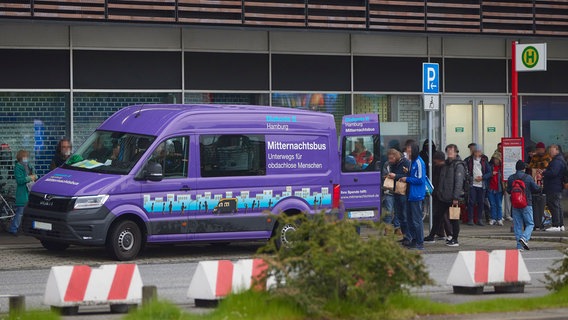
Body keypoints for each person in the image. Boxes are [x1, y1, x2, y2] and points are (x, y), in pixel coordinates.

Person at [435, 144, 466, 247]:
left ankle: (455, 238)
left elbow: (458, 182)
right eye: (448, 151)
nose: (449, 153)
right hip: (443, 196)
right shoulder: (445, 164)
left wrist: (456, 197)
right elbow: (442, 180)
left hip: (452, 197)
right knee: (438, 216)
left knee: (454, 218)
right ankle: (438, 235)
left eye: (451, 151)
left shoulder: (458, 165)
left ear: (456, 152)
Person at [507, 160, 541, 250]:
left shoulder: (511, 178)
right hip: (526, 203)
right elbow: (536, 189)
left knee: (518, 225)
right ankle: (524, 238)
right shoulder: (528, 177)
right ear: (524, 169)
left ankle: (519, 246)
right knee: (530, 223)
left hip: (515, 205)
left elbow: (508, 190)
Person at [399, 140, 426, 250]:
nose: (407, 151)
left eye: (409, 149)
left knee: (416, 220)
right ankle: (414, 240)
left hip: (416, 194)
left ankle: (420, 242)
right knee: (410, 219)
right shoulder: (412, 162)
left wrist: (407, 178)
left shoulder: (419, 162)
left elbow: (420, 179)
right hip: (410, 194)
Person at [424, 151, 453, 243]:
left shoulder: (443, 168)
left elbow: (442, 182)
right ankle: (437, 234)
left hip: (442, 195)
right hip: (439, 194)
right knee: (439, 216)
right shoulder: (440, 167)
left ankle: (449, 234)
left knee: (442, 216)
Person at [8, 150, 37, 236]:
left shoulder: (29, 166)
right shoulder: (18, 167)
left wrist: (34, 176)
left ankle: (29, 229)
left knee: (28, 212)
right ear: (20, 158)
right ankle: (13, 229)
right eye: (25, 157)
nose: (26, 159)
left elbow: (35, 175)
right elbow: (20, 180)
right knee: (20, 212)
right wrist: (30, 178)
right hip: (22, 193)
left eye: (27, 157)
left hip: (29, 191)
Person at [387, 148, 411, 243]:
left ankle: (408, 237)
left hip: (403, 192)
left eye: (391, 158)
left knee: (405, 215)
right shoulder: (393, 164)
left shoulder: (405, 163)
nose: (390, 160)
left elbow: (407, 176)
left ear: (396, 156)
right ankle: (405, 236)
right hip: (396, 191)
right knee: (399, 215)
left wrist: (395, 176)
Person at [465, 145, 492, 226]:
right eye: (476, 151)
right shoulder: (468, 160)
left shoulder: (484, 161)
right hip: (472, 184)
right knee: (471, 202)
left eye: (479, 151)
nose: (478, 153)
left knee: (481, 202)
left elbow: (489, 173)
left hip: (481, 185)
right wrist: (470, 177)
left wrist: (482, 178)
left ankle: (479, 219)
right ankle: (470, 219)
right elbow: (465, 171)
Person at [543, 144, 566, 232]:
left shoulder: (557, 161)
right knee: (557, 205)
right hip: (557, 186)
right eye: (550, 150)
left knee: (553, 205)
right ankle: (560, 225)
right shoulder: (560, 160)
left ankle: (556, 224)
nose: (550, 152)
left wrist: (545, 172)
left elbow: (554, 173)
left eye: (552, 150)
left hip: (553, 186)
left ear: (557, 150)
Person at [382, 150, 400, 234]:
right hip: (389, 190)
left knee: (397, 210)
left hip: (398, 190)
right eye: (389, 158)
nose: (390, 160)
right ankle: (387, 228)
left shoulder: (400, 164)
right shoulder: (387, 164)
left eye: (392, 158)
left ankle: (397, 227)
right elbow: (383, 175)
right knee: (388, 211)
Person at [488, 154, 504, 226]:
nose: (496, 161)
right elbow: (486, 175)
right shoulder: (490, 167)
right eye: (494, 159)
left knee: (499, 204)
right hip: (491, 187)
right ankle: (493, 218)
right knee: (492, 204)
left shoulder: (501, 168)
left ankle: (499, 218)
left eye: (497, 159)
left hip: (499, 188)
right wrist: (491, 174)